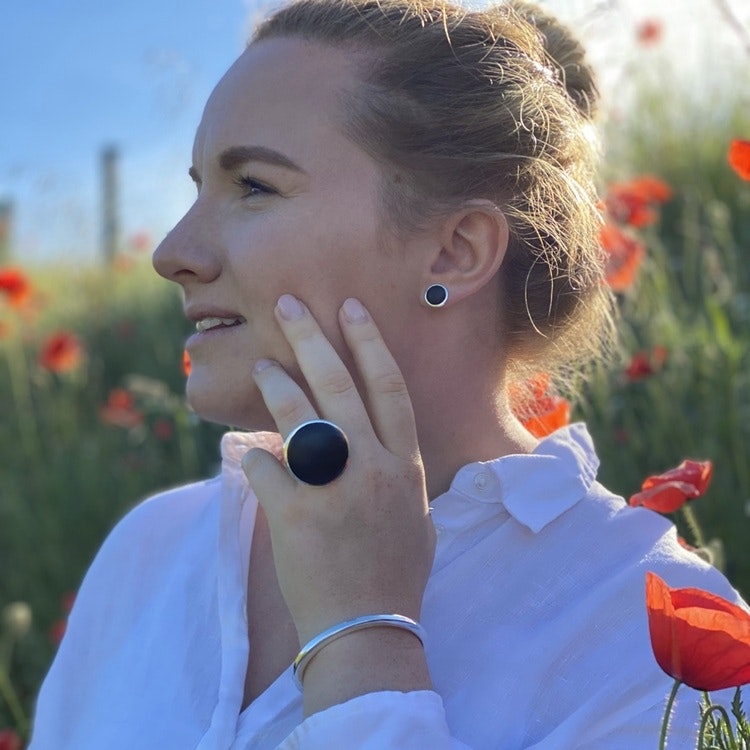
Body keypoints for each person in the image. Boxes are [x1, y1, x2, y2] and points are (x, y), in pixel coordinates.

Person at [29, 0, 747, 747]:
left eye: (253, 187)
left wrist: (363, 643)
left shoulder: (644, 628)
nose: (172, 251)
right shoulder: (151, 548)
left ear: (454, 253)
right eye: (196, 187)